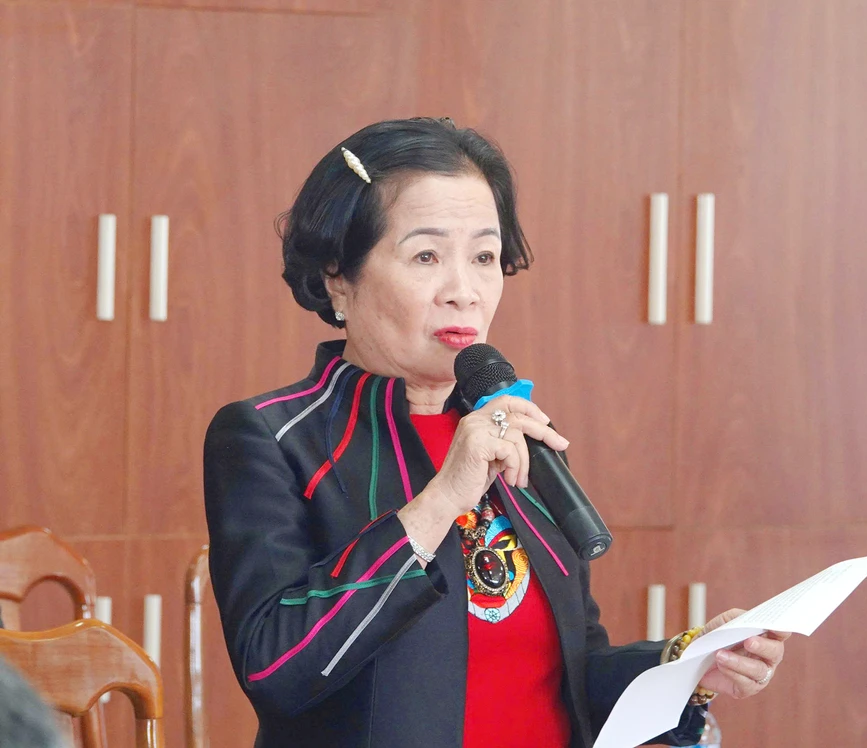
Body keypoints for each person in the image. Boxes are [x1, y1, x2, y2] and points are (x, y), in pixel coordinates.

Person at [204, 117, 788, 747]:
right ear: (337, 276)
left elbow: (566, 675)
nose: (465, 292)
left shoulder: (518, 432)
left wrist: (689, 664)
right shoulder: (271, 438)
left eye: (484, 257)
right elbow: (275, 668)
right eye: (426, 256)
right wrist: (440, 501)